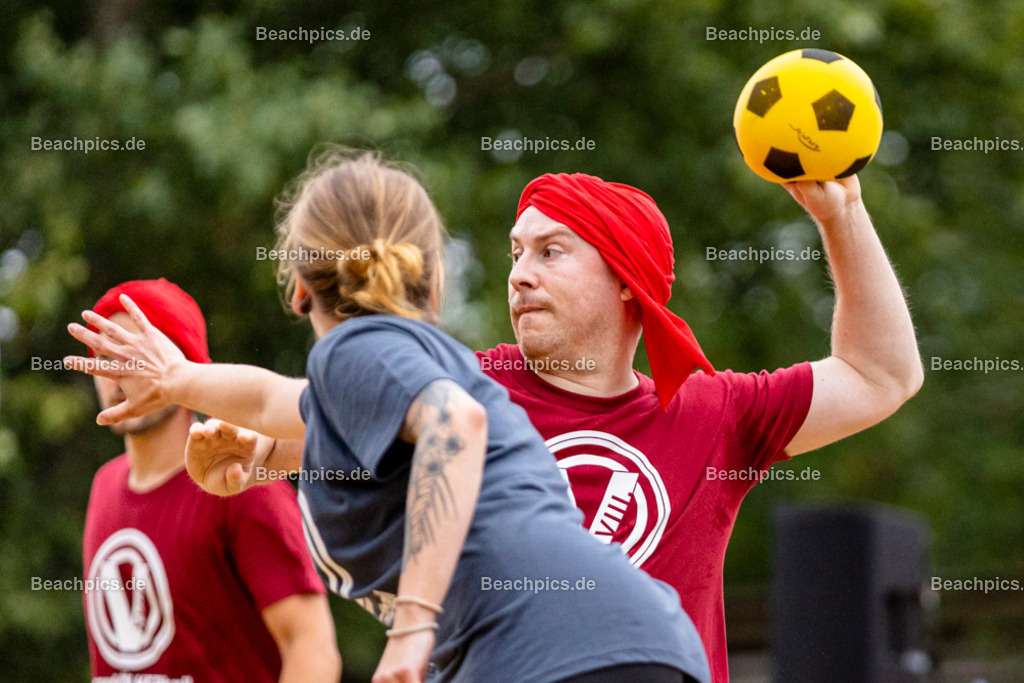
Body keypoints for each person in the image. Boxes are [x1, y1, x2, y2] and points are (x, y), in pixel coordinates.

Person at [66, 151, 712, 683]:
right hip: (621, 644)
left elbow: (455, 425)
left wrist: (411, 625)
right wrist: (260, 456)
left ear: (298, 284)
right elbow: (274, 402)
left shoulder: (359, 346)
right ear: (430, 285)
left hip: (567, 654)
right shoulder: (397, 367)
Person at [77, 279, 340, 683]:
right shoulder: (103, 486)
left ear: (182, 365)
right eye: (105, 353)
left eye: (136, 351)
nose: (117, 371)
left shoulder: (242, 480)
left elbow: (312, 648)